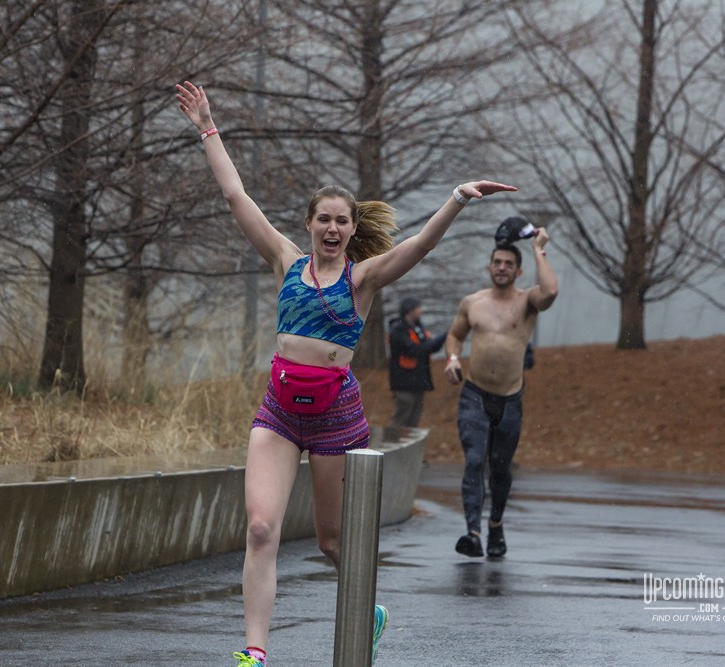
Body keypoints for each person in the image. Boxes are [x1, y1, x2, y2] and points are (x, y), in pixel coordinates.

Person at [175, 80, 517, 666]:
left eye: (342, 222)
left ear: (352, 230)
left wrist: (457, 199)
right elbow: (236, 197)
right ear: (308, 224)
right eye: (323, 220)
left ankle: (370, 611)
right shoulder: (285, 261)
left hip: (336, 420)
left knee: (334, 543)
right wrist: (208, 128)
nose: (332, 229)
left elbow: (418, 247)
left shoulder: (361, 281)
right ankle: (255, 652)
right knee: (261, 529)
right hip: (279, 414)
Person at [443, 227, 558, 559]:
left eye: (509, 263)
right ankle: (472, 533)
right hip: (474, 395)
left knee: (501, 468)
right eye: (497, 262)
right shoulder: (473, 303)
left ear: (518, 271)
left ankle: (495, 525)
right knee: (475, 461)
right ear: (489, 266)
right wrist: (452, 357)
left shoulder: (527, 302)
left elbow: (550, 291)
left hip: (509, 399)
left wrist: (538, 249)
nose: (502, 267)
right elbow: (455, 335)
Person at [387, 297, 445, 429]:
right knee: (401, 420)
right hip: (404, 383)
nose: (421, 310)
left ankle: (408, 448)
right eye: (418, 307)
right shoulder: (398, 330)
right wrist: (442, 338)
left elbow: (430, 347)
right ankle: (391, 446)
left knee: (413, 422)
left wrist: (445, 338)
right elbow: (414, 350)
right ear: (409, 310)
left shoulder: (418, 327)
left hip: (418, 382)